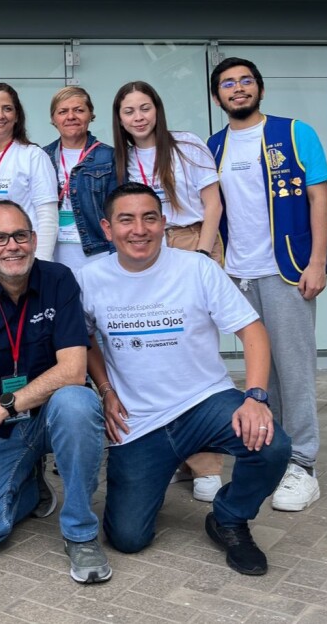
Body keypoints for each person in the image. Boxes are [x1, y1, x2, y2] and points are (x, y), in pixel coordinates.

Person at [79, 183, 291, 576]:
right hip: (138, 422)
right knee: (127, 539)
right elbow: (85, 336)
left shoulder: (197, 268)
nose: (138, 229)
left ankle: (228, 517)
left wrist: (256, 397)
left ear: (163, 224)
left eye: (149, 218)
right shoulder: (89, 278)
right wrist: (106, 389)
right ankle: (153, 479)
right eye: (126, 220)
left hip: (205, 403)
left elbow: (253, 331)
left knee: (273, 444)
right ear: (108, 229)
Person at [0, 200, 111, 585]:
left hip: (51, 416)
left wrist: (2, 407)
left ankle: (81, 532)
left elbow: (73, 371)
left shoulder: (59, 280)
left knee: (78, 402)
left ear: (35, 239)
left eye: (20, 236)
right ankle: (30, 484)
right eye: (0, 238)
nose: (13, 246)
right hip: (4, 431)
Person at [208, 57, 327, 512]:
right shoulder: (215, 145)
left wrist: (318, 261)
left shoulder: (295, 132)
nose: (237, 89)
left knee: (294, 369)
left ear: (259, 88)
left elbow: (320, 197)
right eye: (227, 84)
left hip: (287, 270)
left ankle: (303, 463)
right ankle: (276, 454)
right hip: (237, 274)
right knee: (261, 372)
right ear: (217, 95)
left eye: (245, 82)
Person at [112, 80, 224, 502]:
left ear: (157, 109)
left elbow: (213, 203)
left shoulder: (187, 145)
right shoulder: (119, 159)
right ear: (119, 118)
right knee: (160, 349)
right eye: (129, 111)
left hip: (189, 240)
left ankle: (208, 464)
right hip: (145, 246)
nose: (138, 117)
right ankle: (179, 453)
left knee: (195, 351)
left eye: (145, 108)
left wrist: (201, 252)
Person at [0, 82, 58, 271]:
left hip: (22, 263)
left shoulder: (33, 155)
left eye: (7, 109)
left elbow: (47, 216)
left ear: (17, 116)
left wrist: (40, 264)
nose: (0, 115)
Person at [42, 86, 117, 273]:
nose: (71, 116)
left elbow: (118, 211)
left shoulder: (109, 156)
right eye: (63, 111)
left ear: (90, 115)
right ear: (53, 119)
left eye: (79, 110)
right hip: (53, 254)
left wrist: (116, 256)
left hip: (97, 255)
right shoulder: (42, 156)